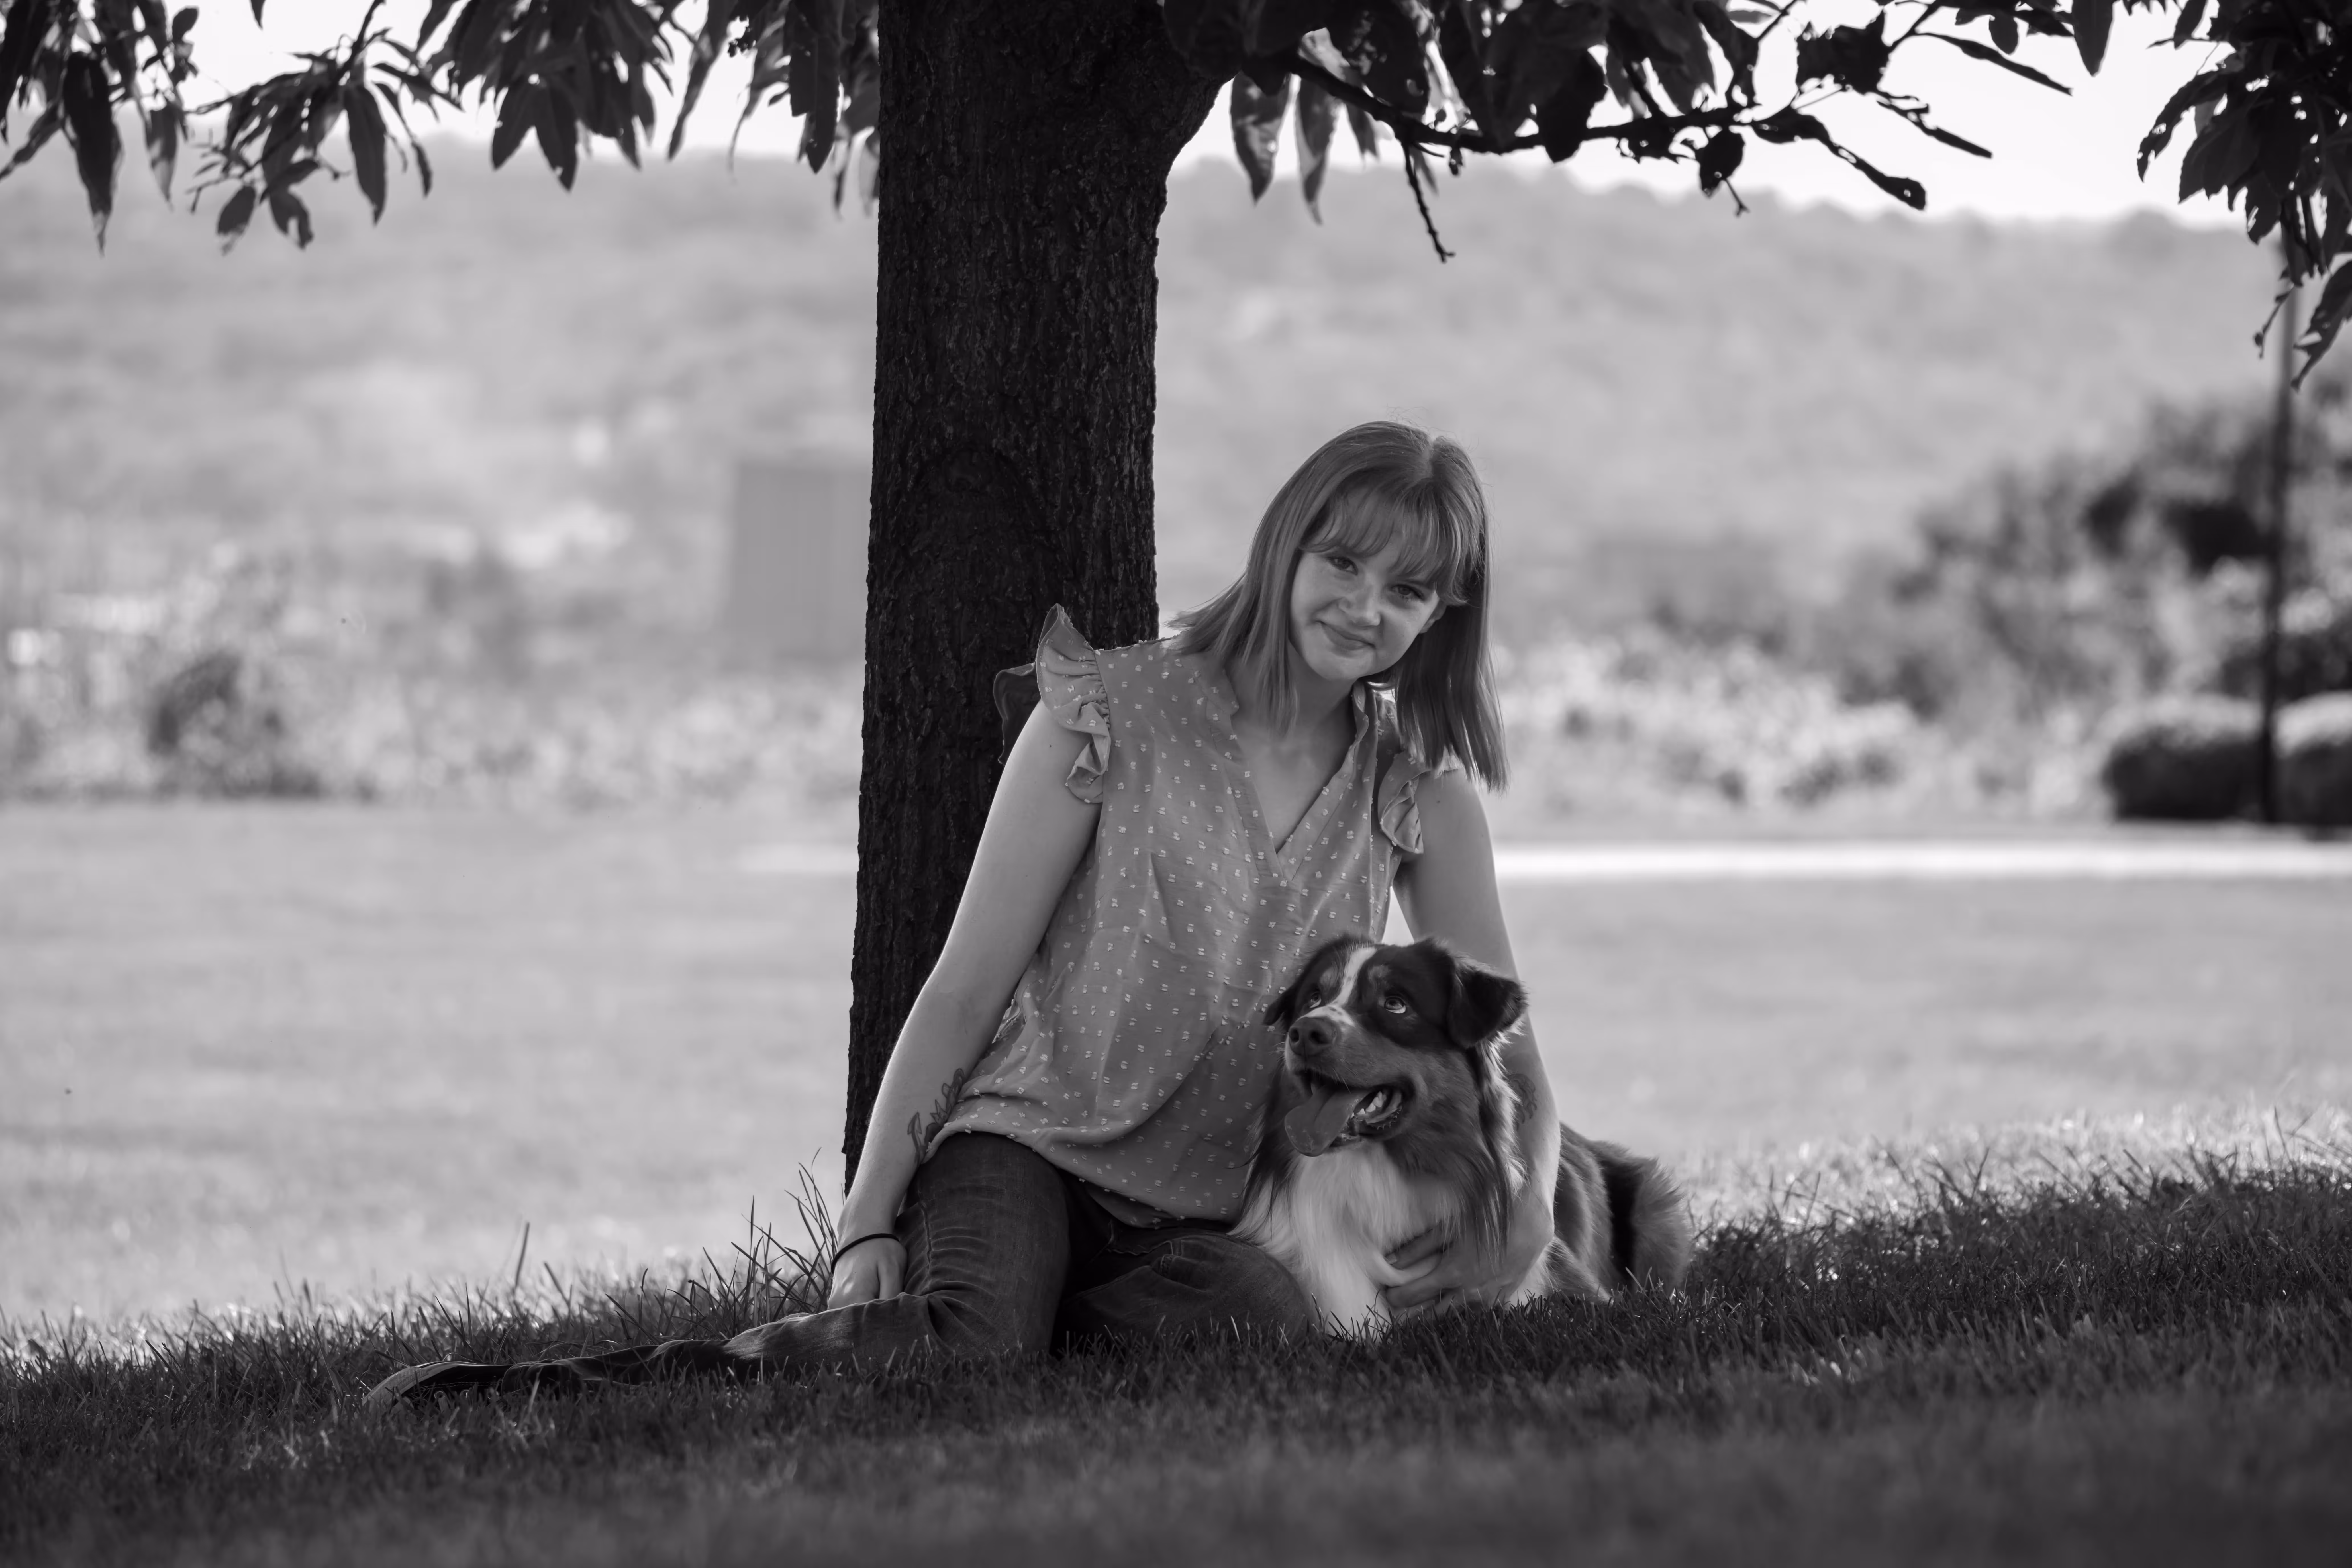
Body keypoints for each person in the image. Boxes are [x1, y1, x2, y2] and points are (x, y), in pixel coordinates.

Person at [366, 420, 1559, 1404]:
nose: (1365, 606)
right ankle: (563, 1382)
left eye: (1407, 589)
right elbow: (962, 986)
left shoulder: (1417, 789)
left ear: (1442, 614)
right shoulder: (1108, 711)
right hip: (1029, 1145)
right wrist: (867, 1217)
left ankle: (1003, 1326)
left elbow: (1507, 1047)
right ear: (1288, 542)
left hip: (1213, 1196)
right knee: (983, 1345)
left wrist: (1523, 1220)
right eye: (1343, 563)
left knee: (1267, 1321)